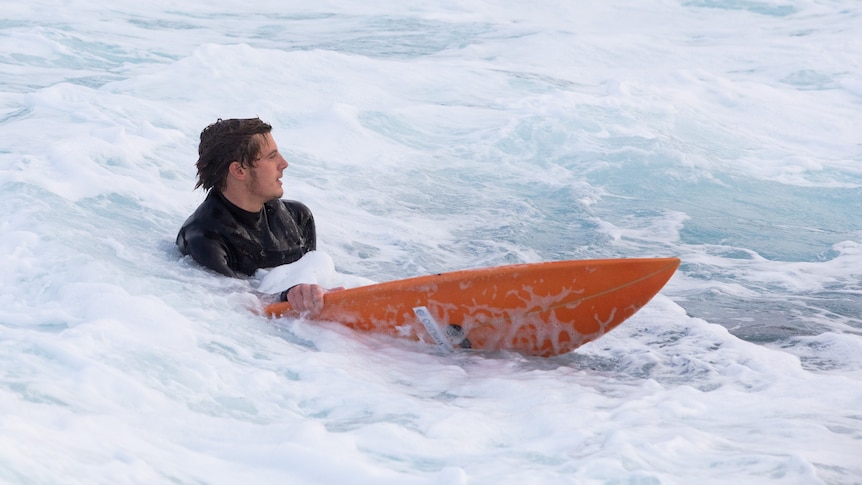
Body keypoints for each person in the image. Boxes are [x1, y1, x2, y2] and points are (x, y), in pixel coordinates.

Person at [176, 117, 328, 314]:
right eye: (272, 157)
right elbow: (238, 302)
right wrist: (287, 295)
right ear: (239, 170)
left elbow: (315, 275)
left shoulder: (299, 217)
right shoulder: (204, 240)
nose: (284, 163)